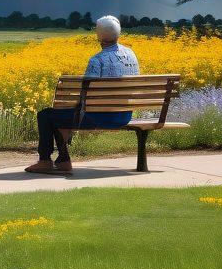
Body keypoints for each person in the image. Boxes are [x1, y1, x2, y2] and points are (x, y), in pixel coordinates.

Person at [25, 14, 139, 175]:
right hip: (124, 116)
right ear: (118, 33)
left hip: (99, 118)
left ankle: (46, 160)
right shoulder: (131, 55)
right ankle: (62, 160)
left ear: (99, 36)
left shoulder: (97, 60)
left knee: (47, 115)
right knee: (56, 116)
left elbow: (85, 95)